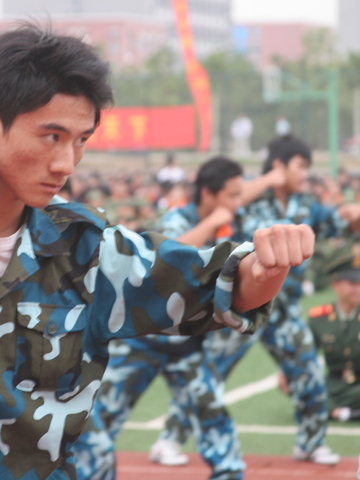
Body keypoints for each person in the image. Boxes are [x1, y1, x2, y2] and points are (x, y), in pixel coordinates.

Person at [0, 25, 315, 480]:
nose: (65, 163)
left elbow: (219, 288)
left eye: (81, 140)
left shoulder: (85, 247)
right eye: (51, 136)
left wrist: (267, 264)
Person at [193, 134, 360, 465]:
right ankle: (172, 438)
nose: (305, 174)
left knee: (308, 369)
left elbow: (341, 223)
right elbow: (230, 203)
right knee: (207, 373)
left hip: (283, 311)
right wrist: (271, 178)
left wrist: (355, 216)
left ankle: (310, 443)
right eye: (300, 166)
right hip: (240, 307)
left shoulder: (306, 206)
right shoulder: (250, 197)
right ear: (279, 166)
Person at [72, 157, 247, 480]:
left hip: (187, 347)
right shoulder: (177, 218)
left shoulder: (232, 223)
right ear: (208, 194)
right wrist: (212, 223)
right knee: (97, 424)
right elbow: (167, 263)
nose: (238, 203)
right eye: (232, 195)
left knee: (214, 417)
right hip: (143, 339)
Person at [308, 247, 360, 422]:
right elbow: (305, 354)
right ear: (336, 284)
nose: (358, 289)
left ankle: (333, 410)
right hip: (335, 385)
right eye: (352, 283)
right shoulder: (319, 319)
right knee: (300, 384)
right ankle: (348, 412)